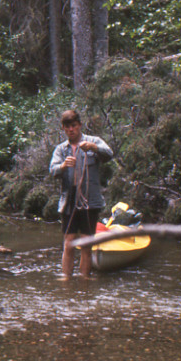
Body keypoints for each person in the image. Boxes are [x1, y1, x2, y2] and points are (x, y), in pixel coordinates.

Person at [49, 110, 113, 277]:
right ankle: (66, 281)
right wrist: (63, 166)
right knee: (69, 244)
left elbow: (109, 154)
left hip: (90, 202)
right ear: (63, 128)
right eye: (68, 127)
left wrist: (94, 148)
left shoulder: (93, 141)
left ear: (79, 125)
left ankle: (84, 281)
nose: (71, 129)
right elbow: (52, 170)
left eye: (74, 126)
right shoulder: (61, 149)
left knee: (86, 245)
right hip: (69, 203)